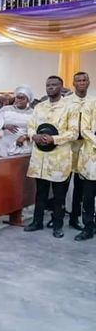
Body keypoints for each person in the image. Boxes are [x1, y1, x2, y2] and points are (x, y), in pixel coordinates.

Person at [24, 76, 79, 238]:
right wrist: (33, 136)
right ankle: (37, 222)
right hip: (40, 157)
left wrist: (54, 139)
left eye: (54, 85)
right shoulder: (39, 107)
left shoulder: (70, 108)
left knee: (58, 195)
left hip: (59, 157)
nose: (50, 87)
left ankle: (57, 225)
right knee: (40, 192)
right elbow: (31, 126)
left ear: (61, 88)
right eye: (48, 85)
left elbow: (74, 132)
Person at [64, 72, 91, 230]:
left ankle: (75, 217)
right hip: (68, 147)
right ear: (73, 84)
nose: (81, 83)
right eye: (78, 80)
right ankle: (57, 217)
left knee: (81, 186)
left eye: (84, 80)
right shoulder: (66, 102)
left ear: (88, 82)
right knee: (63, 185)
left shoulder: (93, 102)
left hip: (86, 148)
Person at [74, 98, 96, 241]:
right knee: (88, 197)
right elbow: (84, 129)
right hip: (91, 158)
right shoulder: (91, 105)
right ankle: (88, 227)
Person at [0, 85, 34, 156]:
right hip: (5, 144)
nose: (19, 100)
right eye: (18, 97)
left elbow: (36, 130)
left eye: (22, 98)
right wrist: (5, 126)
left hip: (25, 144)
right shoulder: (5, 109)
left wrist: (24, 137)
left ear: (28, 100)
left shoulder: (33, 113)